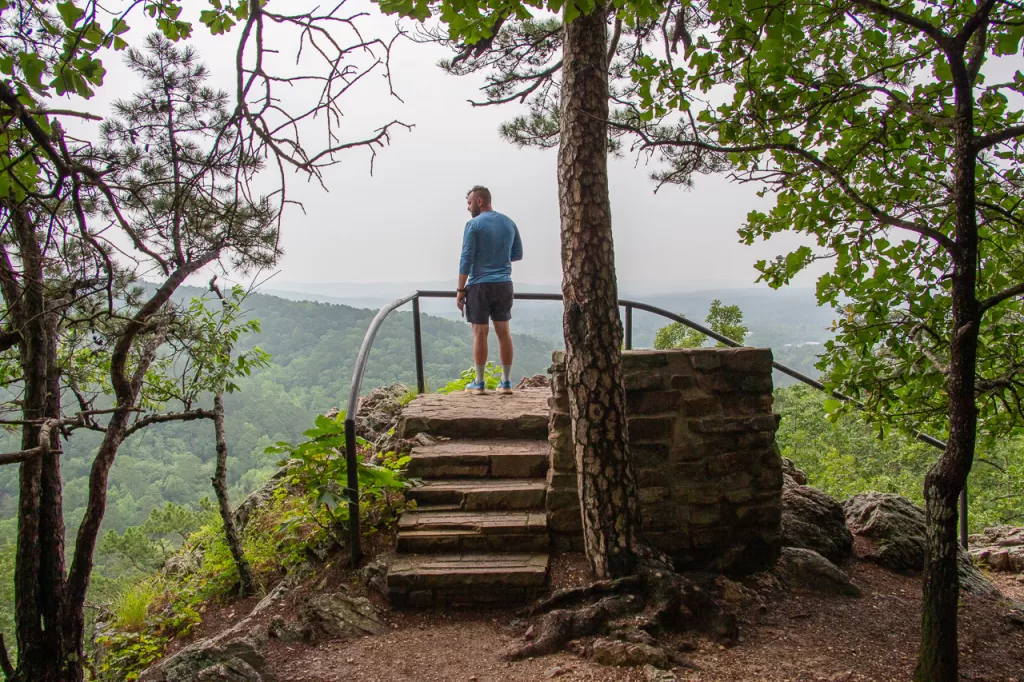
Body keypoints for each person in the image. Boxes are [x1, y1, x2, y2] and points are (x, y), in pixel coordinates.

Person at [456, 186, 523, 395]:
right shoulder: (509, 223)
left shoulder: (473, 225)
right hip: (504, 284)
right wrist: (498, 258)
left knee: (480, 333)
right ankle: (506, 383)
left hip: (479, 285)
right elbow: (517, 254)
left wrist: (460, 289)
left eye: (469, 203)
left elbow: (466, 258)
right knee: (504, 333)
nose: (467, 208)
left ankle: (479, 383)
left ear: (479, 201)